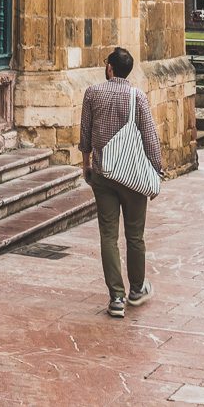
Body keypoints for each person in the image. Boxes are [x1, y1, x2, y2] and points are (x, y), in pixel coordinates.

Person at [79, 46, 163, 319]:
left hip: (103, 173)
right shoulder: (136, 96)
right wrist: (157, 170)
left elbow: (85, 134)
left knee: (108, 235)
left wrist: (86, 165)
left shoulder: (92, 93)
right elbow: (150, 138)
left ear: (110, 68)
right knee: (135, 235)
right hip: (132, 176)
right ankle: (136, 290)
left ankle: (116, 297)